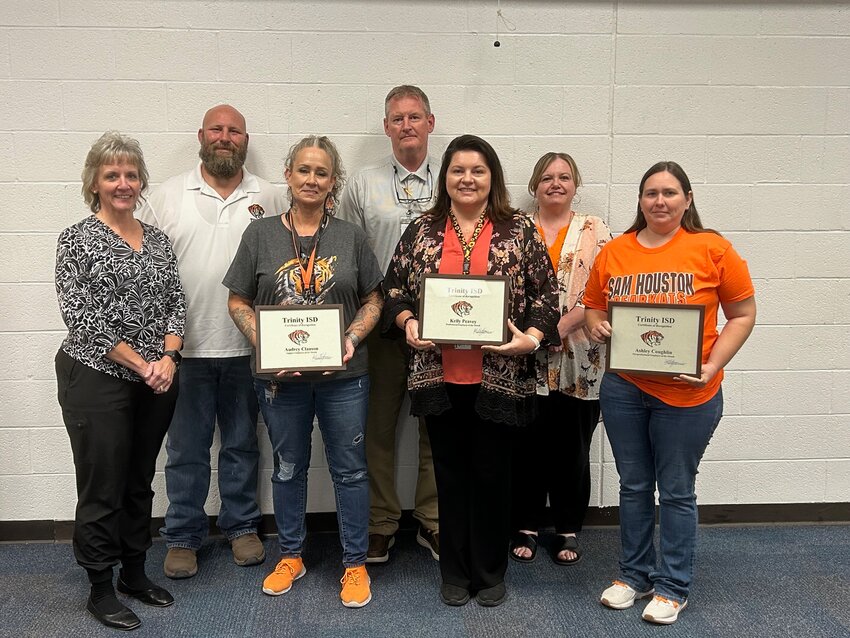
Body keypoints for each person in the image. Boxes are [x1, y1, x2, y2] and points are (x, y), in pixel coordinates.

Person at [383, 134, 559, 607]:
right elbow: (393, 288)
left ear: (492, 178)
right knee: (450, 476)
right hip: (439, 376)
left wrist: (532, 339)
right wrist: (408, 321)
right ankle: (455, 572)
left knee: (492, 475)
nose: (467, 178)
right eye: (458, 170)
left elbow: (548, 295)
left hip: (499, 377)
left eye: (478, 171)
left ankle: (489, 570)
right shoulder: (422, 229)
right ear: (445, 177)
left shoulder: (517, 229)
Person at [584, 161, 756, 625]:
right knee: (634, 486)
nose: (659, 201)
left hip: (688, 396)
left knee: (677, 491)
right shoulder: (616, 250)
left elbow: (743, 313)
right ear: (640, 200)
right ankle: (633, 576)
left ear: (688, 198)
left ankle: (672, 586)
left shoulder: (712, 248)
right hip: (624, 388)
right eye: (650, 193)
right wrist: (596, 324)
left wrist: (713, 364)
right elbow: (593, 305)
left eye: (669, 192)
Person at [223, 135, 384, 608]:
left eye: (322, 172)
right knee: (289, 467)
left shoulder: (351, 235)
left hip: (344, 380)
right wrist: (266, 343)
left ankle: (354, 563)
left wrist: (352, 338)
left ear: (333, 181)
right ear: (288, 175)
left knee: (350, 471)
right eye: (303, 170)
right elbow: (237, 299)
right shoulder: (260, 234)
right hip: (279, 380)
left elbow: (375, 297)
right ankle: (291, 553)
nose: (311, 179)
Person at [138, 104, 285, 579]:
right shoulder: (165, 195)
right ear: (201, 135)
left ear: (246, 139)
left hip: (250, 348)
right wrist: (158, 346)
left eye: (235, 131)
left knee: (243, 443)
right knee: (185, 448)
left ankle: (242, 527)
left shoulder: (270, 195)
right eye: (217, 129)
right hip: (185, 350)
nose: (225, 137)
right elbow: (148, 273)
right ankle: (182, 534)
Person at [54, 132, 186, 631]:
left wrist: (170, 357)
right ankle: (100, 586)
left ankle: (134, 572)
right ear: (94, 182)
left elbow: (176, 298)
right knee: (103, 482)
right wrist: (144, 364)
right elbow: (86, 318)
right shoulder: (76, 240)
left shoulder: (157, 239)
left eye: (131, 174)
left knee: (139, 480)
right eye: (112, 175)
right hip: (97, 375)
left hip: (157, 376)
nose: (123, 183)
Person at [338, 85, 440, 563]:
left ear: (430, 123)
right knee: (376, 428)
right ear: (386, 127)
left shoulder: (454, 177)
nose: (406, 126)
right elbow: (345, 255)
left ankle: (432, 520)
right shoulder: (361, 184)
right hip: (381, 324)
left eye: (415, 117)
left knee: (434, 428)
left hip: (443, 324)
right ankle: (380, 522)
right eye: (397, 118)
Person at [509, 153, 612, 566]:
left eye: (564, 177)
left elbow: (604, 288)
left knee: (572, 447)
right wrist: (534, 333)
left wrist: (560, 327)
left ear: (575, 184)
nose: (555, 183)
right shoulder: (515, 227)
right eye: (547, 177)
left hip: (581, 355)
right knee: (526, 445)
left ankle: (568, 527)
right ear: (535, 184)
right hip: (523, 355)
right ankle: (527, 524)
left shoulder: (595, 229)